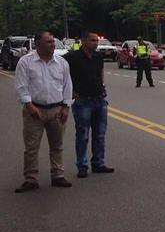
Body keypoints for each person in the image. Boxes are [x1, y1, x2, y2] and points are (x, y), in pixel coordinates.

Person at [14, 30, 74, 192]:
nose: (52, 44)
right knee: (31, 147)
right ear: (38, 43)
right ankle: (31, 178)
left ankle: (58, 175)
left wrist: (66, 107)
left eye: (53, 42)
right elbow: (21, 86)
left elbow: (67, 85)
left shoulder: (61, 63)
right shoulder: (26, 62)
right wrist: (29, 105)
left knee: (57, 145)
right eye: (48, 42)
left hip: (56, 109)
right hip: (34, 110)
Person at [64, 30, 114, 178]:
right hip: (82, 101)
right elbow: (60, 72)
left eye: (97, 41)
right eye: (93, 40)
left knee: (99, 134)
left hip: (98, 99)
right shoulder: (72, 57)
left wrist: (103, 86)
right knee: (83, 135)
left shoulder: (98, 57)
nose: (96, 43)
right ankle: (82, 165)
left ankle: (98, 163)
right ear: (84, 41)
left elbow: (100, 73)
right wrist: (69, 92)